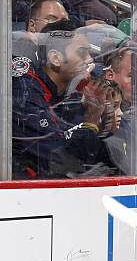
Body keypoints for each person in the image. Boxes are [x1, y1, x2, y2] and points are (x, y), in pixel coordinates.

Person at [12, 19, 115, 179]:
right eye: (82, 52)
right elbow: (58, 160)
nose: (89, 60)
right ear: (55, 58)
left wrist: (106, 123)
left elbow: (103, 157)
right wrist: (91, 122)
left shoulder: (71, 96)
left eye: (89, 53)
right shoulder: (24, 88)